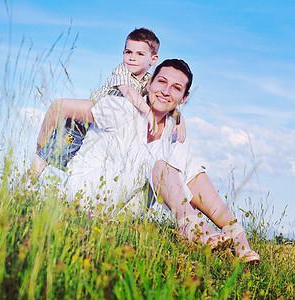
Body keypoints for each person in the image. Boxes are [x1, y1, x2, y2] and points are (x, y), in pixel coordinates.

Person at [35, 59, 260, 263]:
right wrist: (41, 147)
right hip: (87, 196)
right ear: (150, 83)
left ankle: (236, 233)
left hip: (125, 210)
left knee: (182, 153)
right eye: (161, 82)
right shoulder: (122, 107)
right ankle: (190, 225)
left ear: (184, 98)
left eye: (176, 88)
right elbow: (58, 106)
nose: (165, 91)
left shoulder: (173, 127)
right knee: (155, 152)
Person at [29, 28, 186, 180]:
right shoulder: (122, 71)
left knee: (77, 167)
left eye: (140, 54)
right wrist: (147, 111)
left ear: (153, 59)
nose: (132, 58)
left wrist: (180, 120)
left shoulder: (149, 81)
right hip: (82, 122)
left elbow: (160, 98)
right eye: (128, 52)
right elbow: (128, 92)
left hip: (101, 131)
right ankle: (24, 186)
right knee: (46, 156)